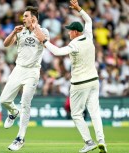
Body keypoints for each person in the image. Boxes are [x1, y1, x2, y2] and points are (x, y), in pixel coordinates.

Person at [34, 0, 107, 153]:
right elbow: (89, 20)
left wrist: (44, 40)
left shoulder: (74, 44)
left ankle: (89, 142)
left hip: (79, 83)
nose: (68, 33)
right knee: (95, 113)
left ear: (75, 32)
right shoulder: (88, 36)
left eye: (70, 31)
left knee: (75, 113)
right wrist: (79, 9)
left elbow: (57, 52)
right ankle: (102, 141)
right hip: (94, 81)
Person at [0, 6, 49, 151]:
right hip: (18, 69)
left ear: (33, 18)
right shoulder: (20, 31)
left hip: (33, 71)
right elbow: (6, 44)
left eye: (26, 16)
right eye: (23, 16)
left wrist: (35, 28)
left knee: (25, 104)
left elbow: (44, 42)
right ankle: (13, 112)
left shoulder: (43, 31)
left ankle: (20, 138)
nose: (23, 18)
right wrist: (13, 32)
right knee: (3, 100)